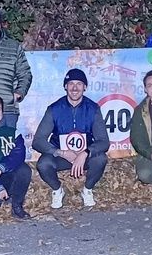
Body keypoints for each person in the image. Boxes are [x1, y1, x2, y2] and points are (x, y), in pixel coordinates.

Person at [32, 69, 109, 208]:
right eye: (71, 83)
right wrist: (60, 152)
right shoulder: (54, 109)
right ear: (65, 86)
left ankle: (87, 189)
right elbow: (38, 140)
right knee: (43, 164)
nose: (74, 88)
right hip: (62, 156)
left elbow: (104, 141)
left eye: (79, 84)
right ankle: (57, 190)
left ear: (85, 87)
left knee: (101, 158)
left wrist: (85, 153)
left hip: (84, 157)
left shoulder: (93, 108)